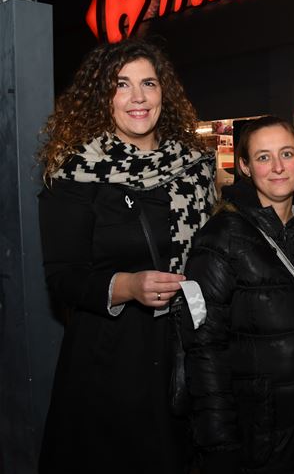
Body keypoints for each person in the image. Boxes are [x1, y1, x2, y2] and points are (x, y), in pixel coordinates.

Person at [37, 38, 216, 473]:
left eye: (148, 84)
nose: (138, 97)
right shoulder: (77, 172)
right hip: (113, 358)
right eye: (122, 85)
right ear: (104, 97)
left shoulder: (195, 167)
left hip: (190, 343)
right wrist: (127, 285)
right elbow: (62, 275)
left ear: (163, 94)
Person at [180, 116, 294, 473]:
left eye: (286, 154)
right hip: (261, 433)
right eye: (264, 157)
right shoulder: (221, 237)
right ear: (245, 167)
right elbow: (205, 348)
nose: (278, 167)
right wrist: (219, 441)